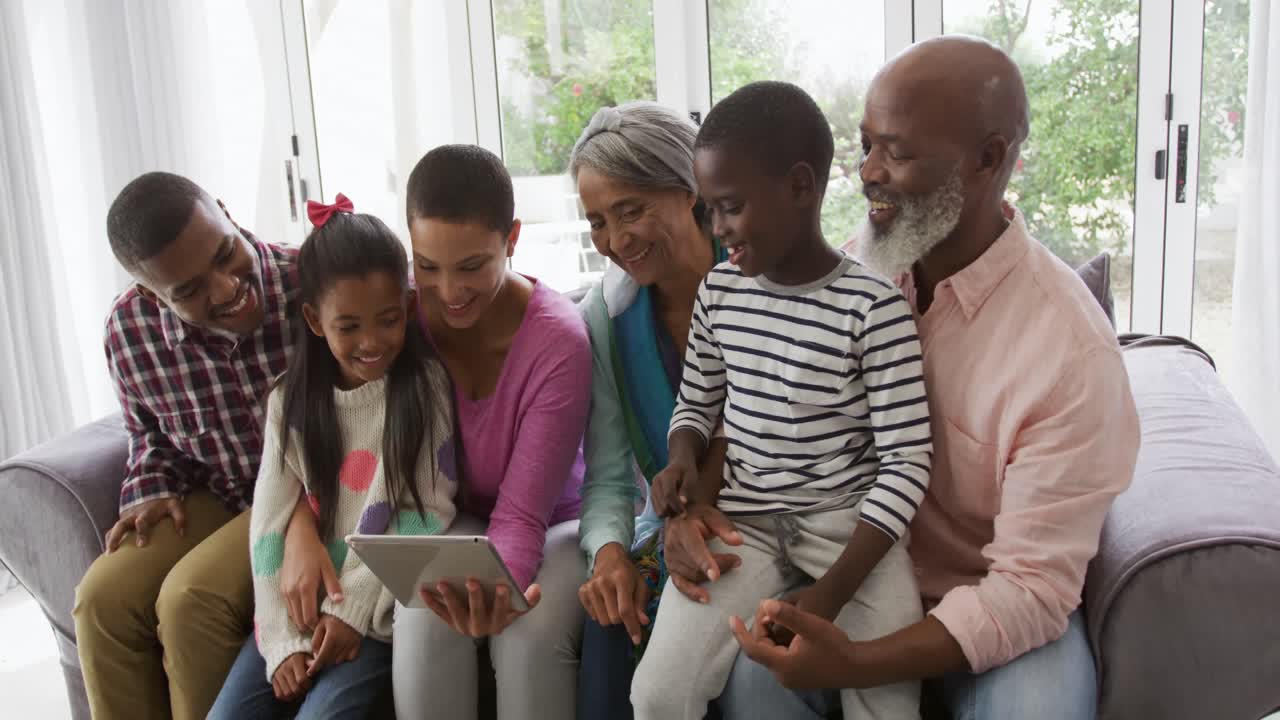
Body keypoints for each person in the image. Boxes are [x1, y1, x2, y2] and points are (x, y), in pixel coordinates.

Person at [725, 36, 1141, 720]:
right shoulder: (850, 270)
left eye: (897, 151)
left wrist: (855, 661)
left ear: (988, 158)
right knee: (750, 684)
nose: (866, 173)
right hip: (847, 573)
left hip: (984, 599)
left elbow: (1031, 591)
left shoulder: (1071, 353)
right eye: (864, 144)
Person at [629, 81, 934, 720]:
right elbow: (697, 404)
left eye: (730, 207)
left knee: (888, 703)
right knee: (658, 694)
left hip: (850, 532)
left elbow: (907, 464)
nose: (717, 229)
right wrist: (681, 458)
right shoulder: (720, 293)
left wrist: (831, 594)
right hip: (747, 525)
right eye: (708, 210)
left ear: (800, 187)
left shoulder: (874, 309)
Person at [282, 145, 592, 720]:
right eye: (427, 266)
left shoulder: (559, 343)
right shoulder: (399, 315)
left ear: (513, 239)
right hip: (451, 511)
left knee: (526, 630)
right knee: (423, 611)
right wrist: (300, 519)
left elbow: (522, 516)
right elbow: (330, 424)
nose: (448, 291)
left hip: (557, 518)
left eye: (472, 266)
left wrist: (496, 596)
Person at [208, 199, 457, 719]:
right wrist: (279, 641)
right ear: (314, 322)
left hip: (372, 612)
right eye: (349, 327)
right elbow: (269, 526)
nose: (371, 342)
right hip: (296, 612)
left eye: (388, 320)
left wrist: (352, 612)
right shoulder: (288, 401)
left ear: (409, 309)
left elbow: (424, 514)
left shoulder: (423, 387)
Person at [72, 171, 303, 720]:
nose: (225, 288)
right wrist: (147, 490)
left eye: (225, 253)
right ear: (151, 294)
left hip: (303, 498)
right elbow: (149, 435)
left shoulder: (316, 281)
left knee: (190, 600)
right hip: (222, 494)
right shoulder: (129, 331)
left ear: (225, 211)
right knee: (101, 598)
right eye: (190, 290)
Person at [569, 101, 733, 720]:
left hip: (767, 526)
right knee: (614, 618)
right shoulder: (605, 320)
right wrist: (609, 552)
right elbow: (609, 476)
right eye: (598, 223)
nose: (616, 240)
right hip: (665, 533)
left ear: (689, 187)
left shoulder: (764, 281)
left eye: (631, 210)